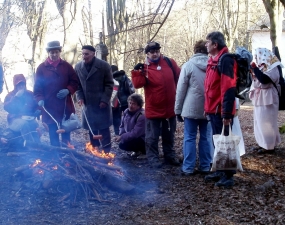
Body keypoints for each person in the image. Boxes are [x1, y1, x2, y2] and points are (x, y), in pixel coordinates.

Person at [131, 41, 180, 168]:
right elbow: (137, 84)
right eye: (152, 52)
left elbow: (180, 78)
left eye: (157, 51)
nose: (155, 54)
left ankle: (170, 156)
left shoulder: (170, 62)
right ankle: (153, 158)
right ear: (147, 54)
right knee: (152, 137)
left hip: (170, 108)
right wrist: (136, 72)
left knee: (168, 135)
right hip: (154, 109)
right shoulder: (145, 68)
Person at [203, 31, 237, 188]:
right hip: (213, 109)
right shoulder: (213, 61)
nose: (206, 45)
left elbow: (228, 88)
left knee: (225, 142)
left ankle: (228, 176)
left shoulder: (225, 60)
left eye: (208, 42)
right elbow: (210, 87)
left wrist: (226, 113)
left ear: (215, 44)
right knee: (217, 141)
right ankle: (219, 170)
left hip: (221, 110)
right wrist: (207, 108)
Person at [175, 40, 212, 175]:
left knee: (189, 137)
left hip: (190, 108)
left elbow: (181, 90)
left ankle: (188, 167)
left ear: (195, 50)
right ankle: (205, 166)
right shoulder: (212, 64)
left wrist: (177, 110)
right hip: (208, 107)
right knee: (206, 137)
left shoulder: (188, 65)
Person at [34, 41, 79, 147]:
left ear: (60, 52)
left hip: (64, 105)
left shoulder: (66, 66)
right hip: (49, 105)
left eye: (56, 52)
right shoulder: (41, 68)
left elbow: (75, 81)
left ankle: (67, 154)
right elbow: (37, 87)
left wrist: (68, 90)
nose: (54, 54)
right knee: (53, 130)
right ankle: (56, 155)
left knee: (65, 130)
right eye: (51, 52)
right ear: (48, 53)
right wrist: (40, 98)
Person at [75, 45, 114, 153]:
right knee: (91, 129)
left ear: (93, 53)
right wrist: (80, 97)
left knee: (104, 128)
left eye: (86, 54)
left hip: (101, 103)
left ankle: (106, 151)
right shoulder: (78, 67)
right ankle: (95, 150)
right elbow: (77, 86)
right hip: (88, 104)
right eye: (82, 54)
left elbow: (109, 84)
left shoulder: (104, 66)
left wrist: (104, 100)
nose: (84, 56)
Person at [249, 48, 281, 153]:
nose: (257, 58)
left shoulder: (272, 67)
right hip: (260, 97)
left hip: (268, 97)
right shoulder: (261, 67)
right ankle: (262, 144)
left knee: (267, 123)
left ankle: (269, 146)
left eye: (258, 55)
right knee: (259, 122)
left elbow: (264, 80)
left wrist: (255, 69)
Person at [4, 74, 40, 143]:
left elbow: (37, 105)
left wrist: (37, 111)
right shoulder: (10, 95)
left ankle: (39, 145)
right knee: (24, 124)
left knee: (34, 124)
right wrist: (15, 98)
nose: (21, 87)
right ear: (15, 86)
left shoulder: (30, 94)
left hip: (29, 118)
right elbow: (7, 108)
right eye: (19, 85)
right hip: (14, 120)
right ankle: (31, 145)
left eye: (22, 84)